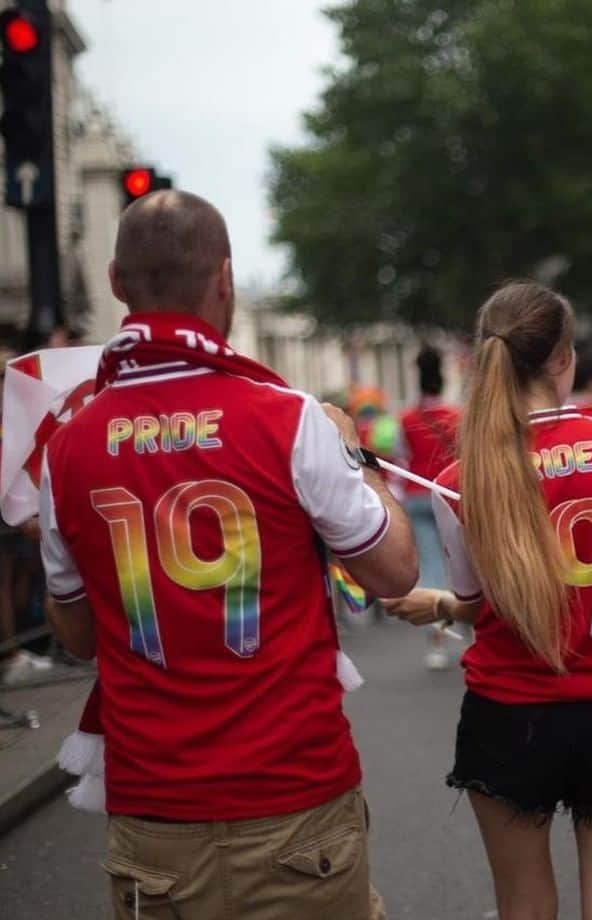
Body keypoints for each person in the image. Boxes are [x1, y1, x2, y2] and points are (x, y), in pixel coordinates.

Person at [39, 190, 417, 919]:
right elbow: (396, 571)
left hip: (153, 814)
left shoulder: (68, 448)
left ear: (116, 285)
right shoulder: (292, 422)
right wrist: (357, 459)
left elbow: (79, 636)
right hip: (297, 800)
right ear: (226, 279)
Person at [385, 280, 592, 920]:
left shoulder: (459, 477)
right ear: (562, 357)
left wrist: (439, 606)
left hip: (505, 715)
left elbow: (476, 605)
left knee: (522, 907)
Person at [398, 344, 461, 669]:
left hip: (416, 496)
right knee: (464, 566)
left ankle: (437, 644)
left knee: (432, 570)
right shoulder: (456, 417)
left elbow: (397, 456)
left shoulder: (405, 419)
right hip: (451, 496)